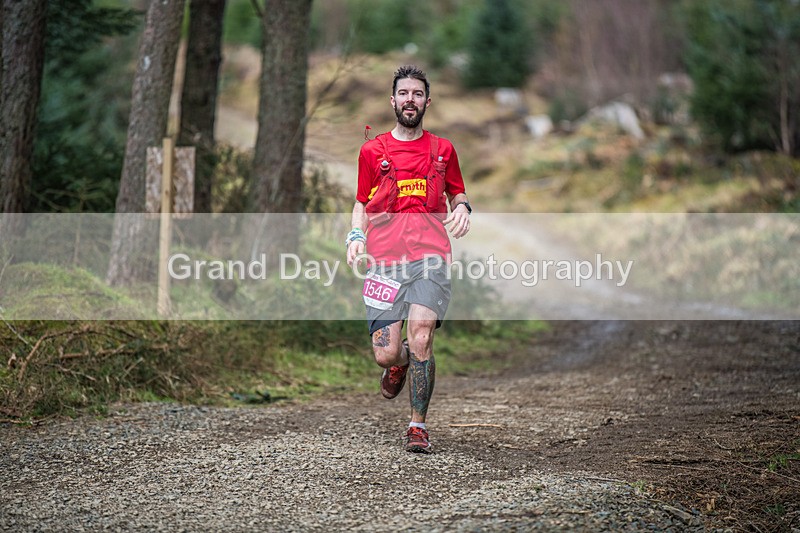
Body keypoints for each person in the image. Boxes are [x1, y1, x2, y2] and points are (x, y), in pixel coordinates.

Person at [345, 65, 472, 453]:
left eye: (417, 94)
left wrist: (464, 209)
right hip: (384, 261)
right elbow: (361, 202)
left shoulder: (443, 150)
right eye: (404, 94)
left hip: (430, 258)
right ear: (393, 100)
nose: (410, 100)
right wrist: (355, 235)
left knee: (421, 335)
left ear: (427, 101)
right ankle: (398, 365)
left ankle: (417, 425)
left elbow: (458, 194)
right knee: (386, 353)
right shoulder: (372, 151)